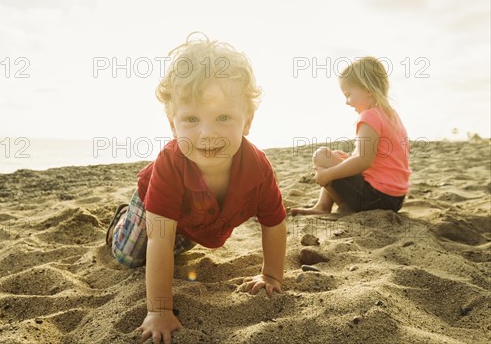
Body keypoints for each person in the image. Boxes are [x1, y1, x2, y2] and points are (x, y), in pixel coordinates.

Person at [105, 33, 287, 344]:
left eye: (223, 117)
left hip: (195, 220)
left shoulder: (257, 167)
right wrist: (159, 310)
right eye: (191, 119)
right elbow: (159, 240)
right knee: (128, 257)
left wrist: (271, 275)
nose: (206, 133)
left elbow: (274, 222)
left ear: (247, 122)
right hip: (157, 207)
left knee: (186, 242)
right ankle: (125, 216)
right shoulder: (170, 163)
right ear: (172, 125)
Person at [291, 56, 411, 216]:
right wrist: (348, 161)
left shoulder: (369, 116)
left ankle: (323, 206)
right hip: (395, 199)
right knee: (335, 159)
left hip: (375, 197)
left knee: (322, 156)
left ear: (367, 90)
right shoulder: (391, 115)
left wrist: (328, 174)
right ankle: (323, 206)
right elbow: (378, 160)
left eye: (348, 94)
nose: (347, 102)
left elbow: (364, 160)